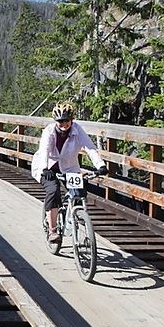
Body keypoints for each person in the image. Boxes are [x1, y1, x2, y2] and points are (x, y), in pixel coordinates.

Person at [31, 102, 108, 242]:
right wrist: (44, 168)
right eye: (60, 121)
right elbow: (44, 150)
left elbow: (89, 147)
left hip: (69, 167)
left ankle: (77, 216)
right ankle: (52, 230)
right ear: (55, 121)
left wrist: (100, 165)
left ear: (71, 120)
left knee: (79, 193)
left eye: (66, 120)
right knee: (53, 191)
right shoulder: (49, 132)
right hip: (49, 167)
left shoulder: (77, 130)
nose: (63, 124)